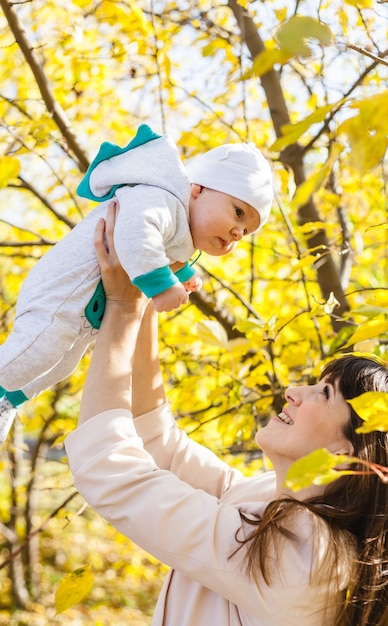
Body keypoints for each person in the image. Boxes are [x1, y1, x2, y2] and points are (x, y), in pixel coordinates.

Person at [65, 203, 388, 626]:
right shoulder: (278, 498)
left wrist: (120, 305)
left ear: (348, 449)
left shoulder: (309, 556)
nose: (293, 392)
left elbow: (112, 471)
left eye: (324, 393)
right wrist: (142, 290)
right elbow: (162, 447)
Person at [0, 124, 274, 443]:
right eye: (238, 212)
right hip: (62, 294)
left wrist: (182, 275)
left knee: (59, 365)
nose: (237, 233)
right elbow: (135, 236)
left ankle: (8, 402)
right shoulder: (161, 197)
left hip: (80, 314)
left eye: (246, 232)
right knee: (35, 353)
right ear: (198, 189)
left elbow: (166, 248)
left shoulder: (178, 223)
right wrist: (161, 285)